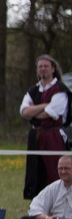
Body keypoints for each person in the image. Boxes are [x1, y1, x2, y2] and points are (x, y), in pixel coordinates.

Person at [19, 55, 71, 199]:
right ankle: (38, 206)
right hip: (35, 136)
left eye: (46, 66)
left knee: (55, 172)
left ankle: (61, 204)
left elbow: (52, 113)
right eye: (40, 66)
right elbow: (24, 112)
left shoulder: (60, 89)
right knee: (35, 172)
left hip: (53, 136)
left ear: (53, 69)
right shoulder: (33, 90)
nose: (43, 69)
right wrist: (43, 106)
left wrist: (33, 111)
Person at [18, 155, 72, 219]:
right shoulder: (54, 187)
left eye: (67, 168)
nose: (63, 172)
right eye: (60, 168)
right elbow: (35, 208)